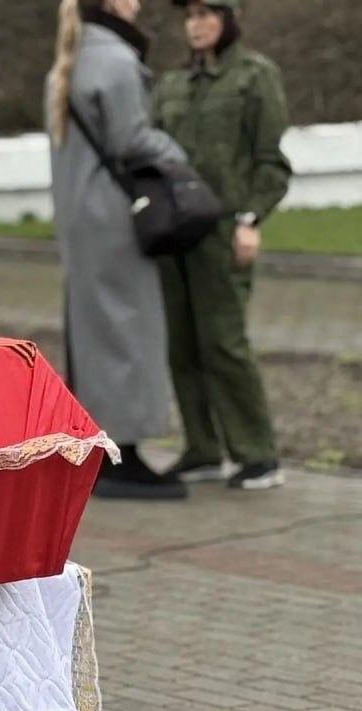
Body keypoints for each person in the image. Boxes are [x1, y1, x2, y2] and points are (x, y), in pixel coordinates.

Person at [47, 0, 189, 500]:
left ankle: (100, 447)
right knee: (129, 329)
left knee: (94, 333)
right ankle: (123, 453)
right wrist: (180, 157)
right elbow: (132, 139)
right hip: (113, 216)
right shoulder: (116, 60)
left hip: (79, 216)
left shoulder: (71, 57)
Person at [155, 0, 291, 491]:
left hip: (222, 229)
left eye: (205, 14)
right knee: (180, 342)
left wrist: (250, 219)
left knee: (224, 341)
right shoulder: (172, 84)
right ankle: (203, 449)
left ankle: (258, 455)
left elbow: (271, 161)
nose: (195, 25)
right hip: (174, 231)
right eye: (189, 16)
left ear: (228, 19)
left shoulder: (254, 76)